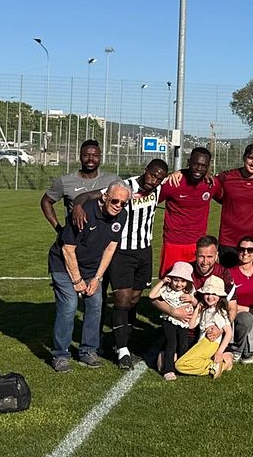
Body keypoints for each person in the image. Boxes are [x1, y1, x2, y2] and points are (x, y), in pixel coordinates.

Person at [70, 158, 169, 369]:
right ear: (145, 170)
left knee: (134, 299)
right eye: (153, 175)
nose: (155, 181)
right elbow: (93, 194)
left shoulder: (158, 189)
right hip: (121, 251)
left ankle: (120, 341)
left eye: (159, 178)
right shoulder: (126, 187)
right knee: (122, 300)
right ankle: (123, 350)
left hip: (144, 250)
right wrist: (78, 204)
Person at [48, 180, 131, 373]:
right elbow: (68, 249)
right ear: (105, 197)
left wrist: (97, 278)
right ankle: (60, 354)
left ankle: (88, 351)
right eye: (115, 201)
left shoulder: (122, 216)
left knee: (95, 303)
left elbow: (111, 247)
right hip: (63, 263)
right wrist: (77, 281)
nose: (118, 206)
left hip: (91, 267)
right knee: (69, 305)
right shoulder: (83, 213)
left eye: (123, 203)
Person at [158, 147, 221, 276]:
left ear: (208, 166)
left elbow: (226, 199)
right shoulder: (173, 183)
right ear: (188, 162)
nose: (199, 169)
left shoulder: (212, 184)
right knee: (169, 284)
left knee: (196, 285)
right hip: (173, 243)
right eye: (196, 164)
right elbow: (152, 200)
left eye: (203, 166)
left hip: (198, 245)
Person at [41, 140, 120, 234]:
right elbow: (46, 201)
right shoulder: (65, 181)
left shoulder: (113, 180)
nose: (91, 159)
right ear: (80, 156)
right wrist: (59, 229)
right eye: (86, 155)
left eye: (95, 155)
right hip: (75, 239)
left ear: (100, 157)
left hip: (104, 239)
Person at [175, 275, 234, 378]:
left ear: (220, 296)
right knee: (182, 362)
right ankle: (214, 365)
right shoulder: (205, 310)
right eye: (207, 293)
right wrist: (197, 309)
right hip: (202, 343)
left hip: (209, 343)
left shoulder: (219, 312)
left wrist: (219, 352)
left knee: (180, 364)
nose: (210, 297)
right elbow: (191, 325)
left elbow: (228, 333)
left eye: (214, 294)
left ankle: (216, 366)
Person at [148, 261, 196, 381]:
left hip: (184, 322)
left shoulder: (189, 290)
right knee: (171, 343)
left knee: (183, 343)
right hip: (169, 320)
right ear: (171, 279)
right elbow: (151, 296)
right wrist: (163, 281)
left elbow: (197, 304)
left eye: (183, 281)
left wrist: (191, 298)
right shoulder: (167, 289)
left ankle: (182, 366)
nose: (179, 284)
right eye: (176, 280)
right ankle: (168, 369)